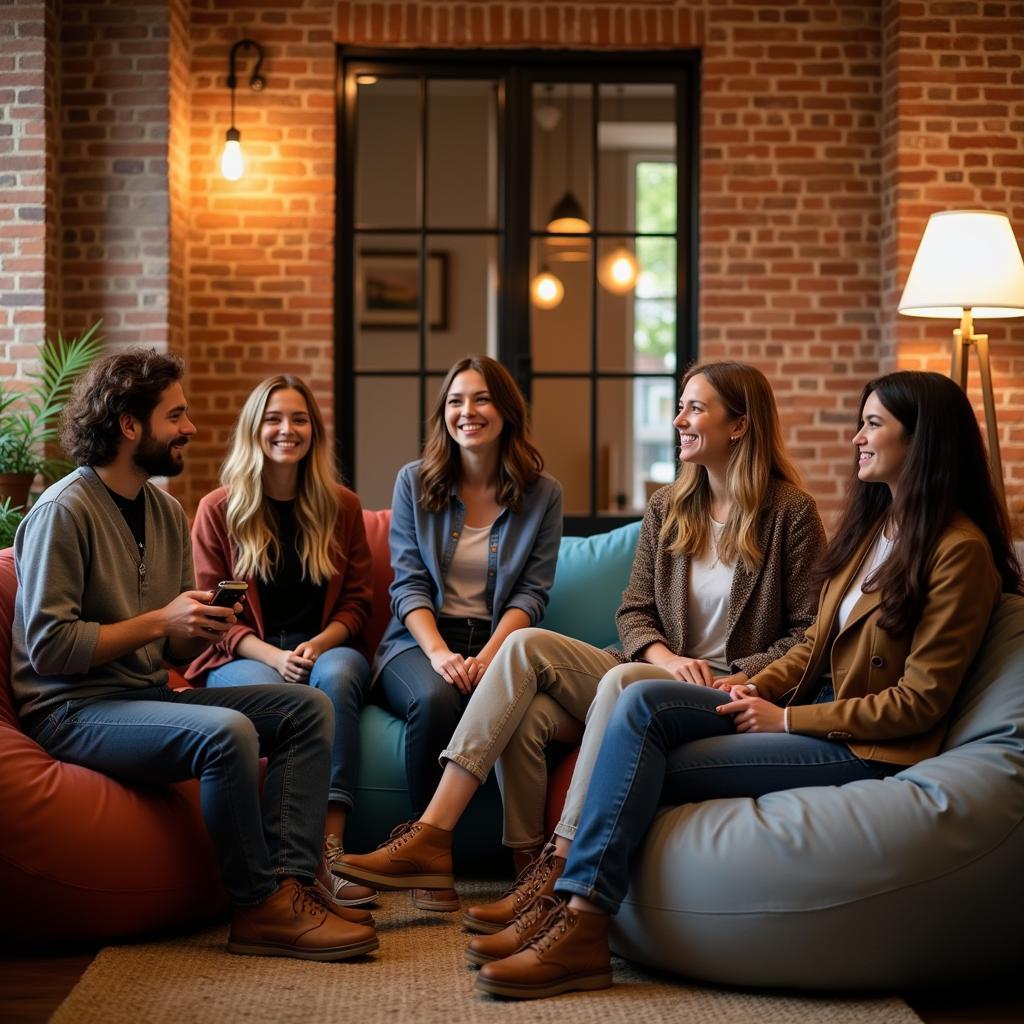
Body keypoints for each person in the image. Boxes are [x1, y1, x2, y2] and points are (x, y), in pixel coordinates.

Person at [473, 369, 1022, 999]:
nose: (856, 439)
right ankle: (565, 908)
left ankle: (579, 926)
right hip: (811, 712)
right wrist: (747, 687)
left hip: (867, 749)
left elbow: (920, 702)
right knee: (642, 695)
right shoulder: (880, 531)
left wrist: (784, 719)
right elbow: (816, 643)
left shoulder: (957, 552)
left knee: (635, 746)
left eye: (872, 424)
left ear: (922, 441)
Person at [337, 362, 827, 934]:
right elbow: (635, 610)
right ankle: (487, 856)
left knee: (617, 684)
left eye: (696, 408)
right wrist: (665, 658)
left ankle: (559, 868)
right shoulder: (670, 505)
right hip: (657, 669)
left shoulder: (791, 513)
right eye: (682, 407)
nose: (679, 420)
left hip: (721, 689)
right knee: (523, 658)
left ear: (740, 425)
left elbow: (810, 632)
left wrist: (738, 676)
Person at [10, 349, 377, 962]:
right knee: (227, 732)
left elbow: (173, 646)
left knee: (309, 707)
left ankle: (291, 885)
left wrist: (202, 626)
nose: (191, 429)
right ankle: (257, 907)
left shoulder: (163, 509)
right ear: (130, 425)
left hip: (144, 695)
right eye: (176, 415)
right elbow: (50, 649)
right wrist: (162, 619)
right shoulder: (62, 511)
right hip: (72, 709)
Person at [371, 355, 563, 912]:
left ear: (505, 409)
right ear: (443, 413)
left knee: (517, 709)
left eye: (480, 399)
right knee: (434, 698)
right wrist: (439, 654)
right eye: (456, 401)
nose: (467, 412)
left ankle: (524, 858)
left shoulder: (543, 492)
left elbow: (532, 594)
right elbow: (407, 585)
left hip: (500, 640)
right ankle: (431, 861)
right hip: (418, 639)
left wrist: (492, 656)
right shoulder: (415, 481)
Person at [188, 375, 376, 908]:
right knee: (266, 693)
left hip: (324, 644)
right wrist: (273, 656)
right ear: (254, 428)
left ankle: (329, 849)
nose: (286, 430)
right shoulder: (217, 509)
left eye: (298, 419)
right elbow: (212, 615)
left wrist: (318, 645)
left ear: (314, 431)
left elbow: (357, 604)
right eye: (273, 419)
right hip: (244, 649)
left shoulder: (341, 506)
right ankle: (275, 868)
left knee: (337, 676)